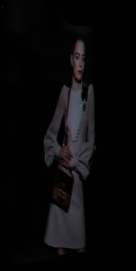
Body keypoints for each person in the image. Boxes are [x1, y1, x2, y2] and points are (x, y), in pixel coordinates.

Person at [43, 38, 96, 254]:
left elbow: (91, 137)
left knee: (78, 242)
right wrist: (57, 151)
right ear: (71, 61)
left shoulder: (89, 93)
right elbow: (50, 133)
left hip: (76, 175)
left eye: (83, 58)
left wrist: (78, 161)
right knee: (59, 244)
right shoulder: (65, 93)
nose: (80, 63)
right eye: (77, 57)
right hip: (62, 177)